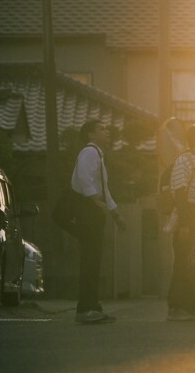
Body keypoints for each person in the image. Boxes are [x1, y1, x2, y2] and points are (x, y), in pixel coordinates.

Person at [70, 119, 126, 324]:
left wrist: (115, 214)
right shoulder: (89, 152)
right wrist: (95, 200)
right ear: (90, 135)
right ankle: (85, 309)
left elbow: (103, 188)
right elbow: (84, 179)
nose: (106, 131)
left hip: (94, 209)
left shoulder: (98, 154)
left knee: (93, 261)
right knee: (90, 261)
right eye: (101, 129)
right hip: (88, 210)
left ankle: (92, 307)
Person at [166, 122, 195, 321]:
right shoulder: (185, 159)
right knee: (183, 262)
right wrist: (185, 224)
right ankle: (177, 307)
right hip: (189, 214)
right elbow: (180, 192)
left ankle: (190, 305)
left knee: (194, 262)